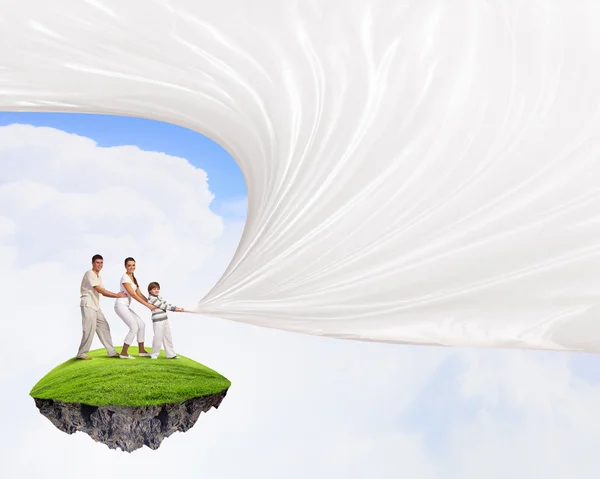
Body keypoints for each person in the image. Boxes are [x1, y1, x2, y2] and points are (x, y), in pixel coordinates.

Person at [77, 254, 127, 360]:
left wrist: (116, 295)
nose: (99, 265)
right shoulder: (90, 273)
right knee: (89, 329)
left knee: (104, 327)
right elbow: (100, 290)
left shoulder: (99, 277)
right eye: (97, 262)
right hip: (88, 304)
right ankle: (81, 353)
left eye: (101, 262)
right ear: (93, 263)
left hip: (95, 306)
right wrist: (117, 295)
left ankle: (111, 352)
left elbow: (103, 293)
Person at [113, 257, 156, 359]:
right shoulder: (125, 278)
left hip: (125, 306)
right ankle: (124, 353)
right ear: (125, 266)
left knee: (141, 324)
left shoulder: (133, 278)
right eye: (129, 265)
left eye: (133, 265)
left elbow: (139, 293)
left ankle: (141, 350)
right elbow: (133, 295)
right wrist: (148, 306)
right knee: (134, 327)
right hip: (120, 305)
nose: (131, 267)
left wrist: (150, 302)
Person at [147, 281, 185, 359]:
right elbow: (163, 306)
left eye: (158, 289)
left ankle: (171, 354)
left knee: (168, 337)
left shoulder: (159, 297)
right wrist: (176, 309)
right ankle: (154, 354)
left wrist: (177, 308)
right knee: (158, 337)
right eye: (154, 289)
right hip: (158, 321)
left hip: (165, 319)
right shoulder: (151, 298)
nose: (156, 290)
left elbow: (167, 305)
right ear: (150, 290)